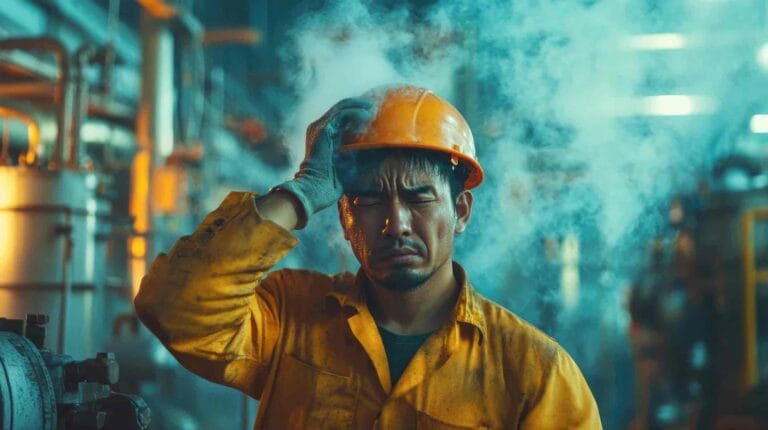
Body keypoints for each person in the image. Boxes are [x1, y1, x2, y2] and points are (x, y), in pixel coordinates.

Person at [134, 85, 602, 429]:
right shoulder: (290, 318)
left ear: (460, 211)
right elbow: (174, 312)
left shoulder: (535, 373)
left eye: (419, 200)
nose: (395, 224)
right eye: (369, 201)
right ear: (342, 214)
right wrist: (299, 193)